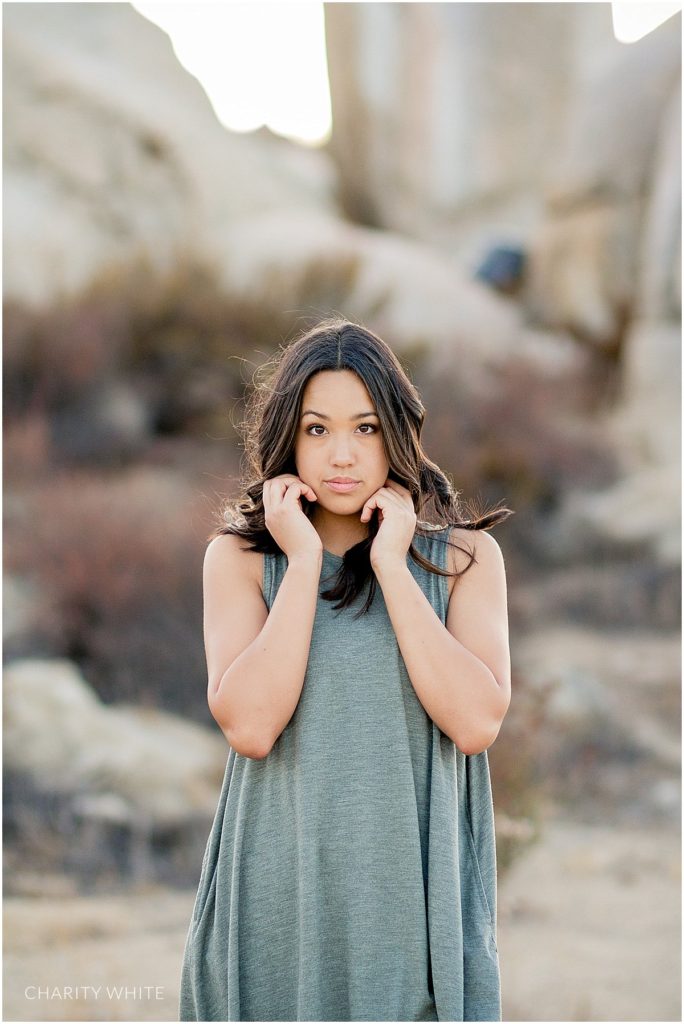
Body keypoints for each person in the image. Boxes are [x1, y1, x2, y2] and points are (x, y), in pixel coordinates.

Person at [178, 317, 513, 1022]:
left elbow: (477, 722)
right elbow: (252, 726)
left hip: (412, 913)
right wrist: (301, 562)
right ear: (287, 439)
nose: (342, 455)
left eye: (364, 428)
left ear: (396, 433)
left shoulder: (462, 562)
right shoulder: (240, 563)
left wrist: (393, 566)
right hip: (279, 907)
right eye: (317, 429)